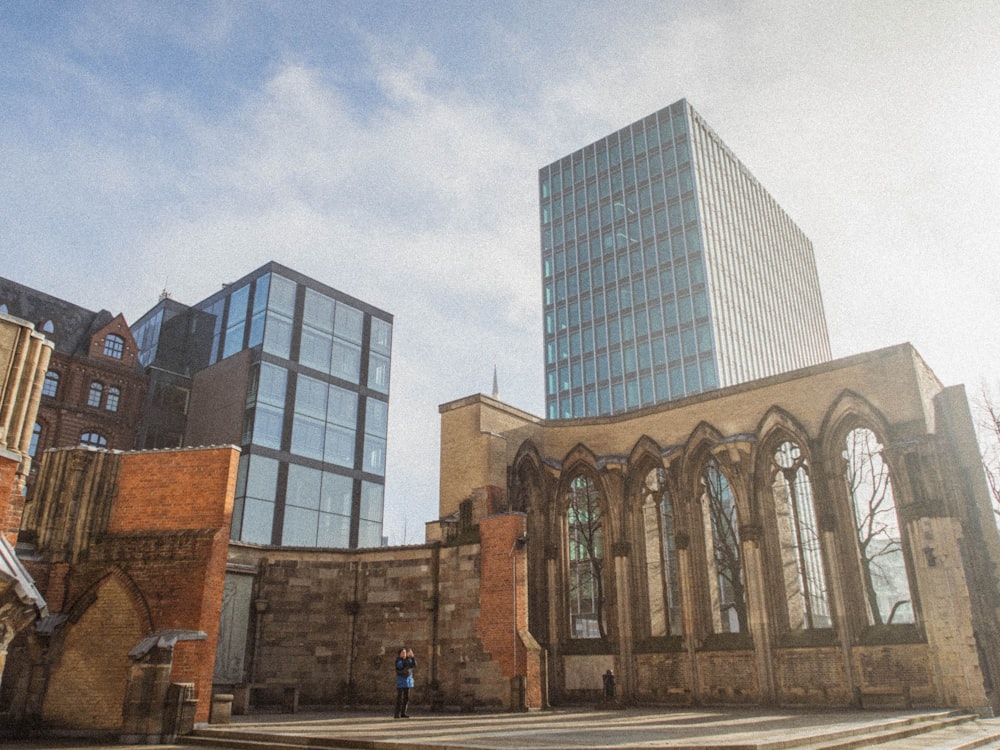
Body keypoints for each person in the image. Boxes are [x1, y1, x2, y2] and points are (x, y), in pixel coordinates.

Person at [394, 647, 416, 718]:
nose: (404, 654)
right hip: (401, 680)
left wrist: (412, 657)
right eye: (402, 653)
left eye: (405, 653)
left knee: (406, 698)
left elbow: (414, 665)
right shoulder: (399, 660)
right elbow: (401, 667)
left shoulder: (408, 660)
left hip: (407, 681)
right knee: (399, 698)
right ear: (400, 654)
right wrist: (407, 665)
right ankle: (397, 713)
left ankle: (403, 712)